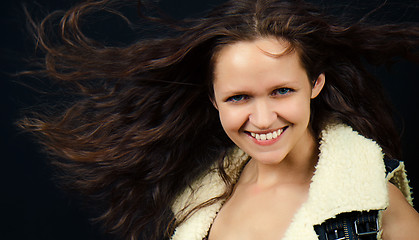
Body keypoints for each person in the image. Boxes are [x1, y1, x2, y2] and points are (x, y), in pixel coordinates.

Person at [19, 0, 419, 239]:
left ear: (315, 84)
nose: (262, 119)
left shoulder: (375, 204)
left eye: (282, 91)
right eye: (239, 97)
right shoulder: (201, 196)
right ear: (213, 99)